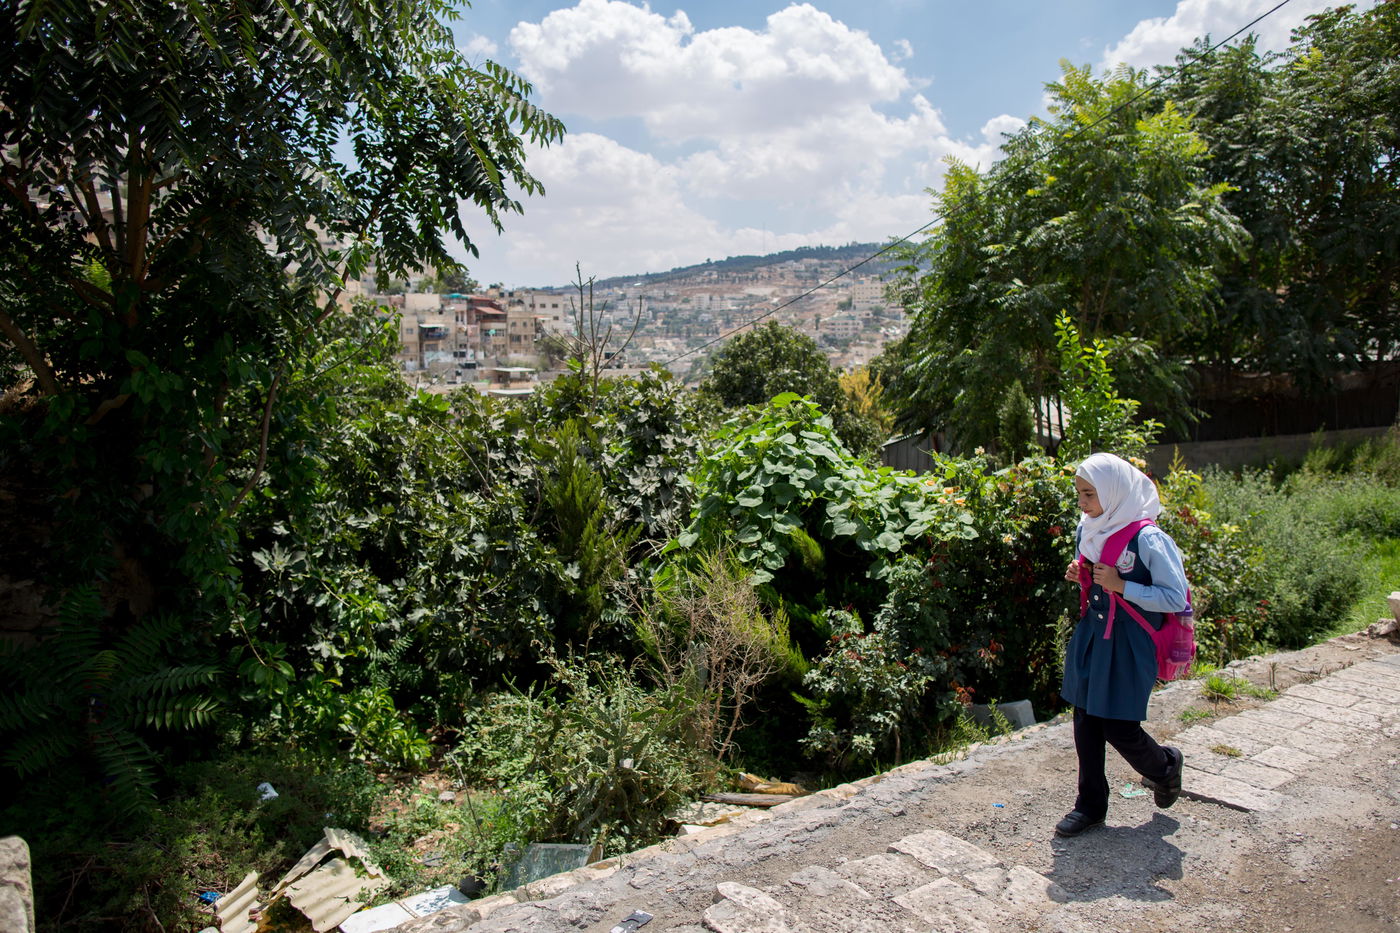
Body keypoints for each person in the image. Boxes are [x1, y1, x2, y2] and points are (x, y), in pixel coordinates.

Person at [1056, 452, 1189, 838]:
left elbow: (1174, 597)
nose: (1082, 503)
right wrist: (1081, 575)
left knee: (1118, 725)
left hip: (1129, 643)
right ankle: (1090, 807)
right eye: (1079, 493)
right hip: (1094, 636)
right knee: (1085, 720)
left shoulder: (1148, 538)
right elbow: (1096, 577)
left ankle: (1165, 767)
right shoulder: (1091, 528)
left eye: (1088, 495)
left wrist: (1122, 585)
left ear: (1114, 493)